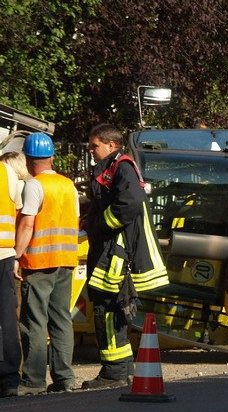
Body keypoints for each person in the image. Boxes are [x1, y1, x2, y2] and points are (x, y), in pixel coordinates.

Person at [83, 123, 169, 388]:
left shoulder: (122, 167)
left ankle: (114, 373)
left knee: (106, 309)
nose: (91, 151)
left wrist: (101, 224)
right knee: (111, 307)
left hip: (115, 253)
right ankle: (121, 369)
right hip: (110, 250)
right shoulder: (112, 167)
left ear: (111, 145)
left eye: (94, 146)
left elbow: (129, 203)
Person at [14, 134, 79, 394]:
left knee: (35, 322)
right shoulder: (68, 185)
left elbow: (28, 223)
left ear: (29, 161)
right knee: (62, 320)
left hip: (39, 263)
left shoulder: (34, 185)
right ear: (52, 157)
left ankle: (33, 381)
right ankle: (65, 378)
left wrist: (17, 256)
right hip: (66, 261)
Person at [0, 152, 27, 396]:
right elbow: (18, 212)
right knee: (7, 318)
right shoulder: (8, 172)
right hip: (5, 255)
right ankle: (9, 378)